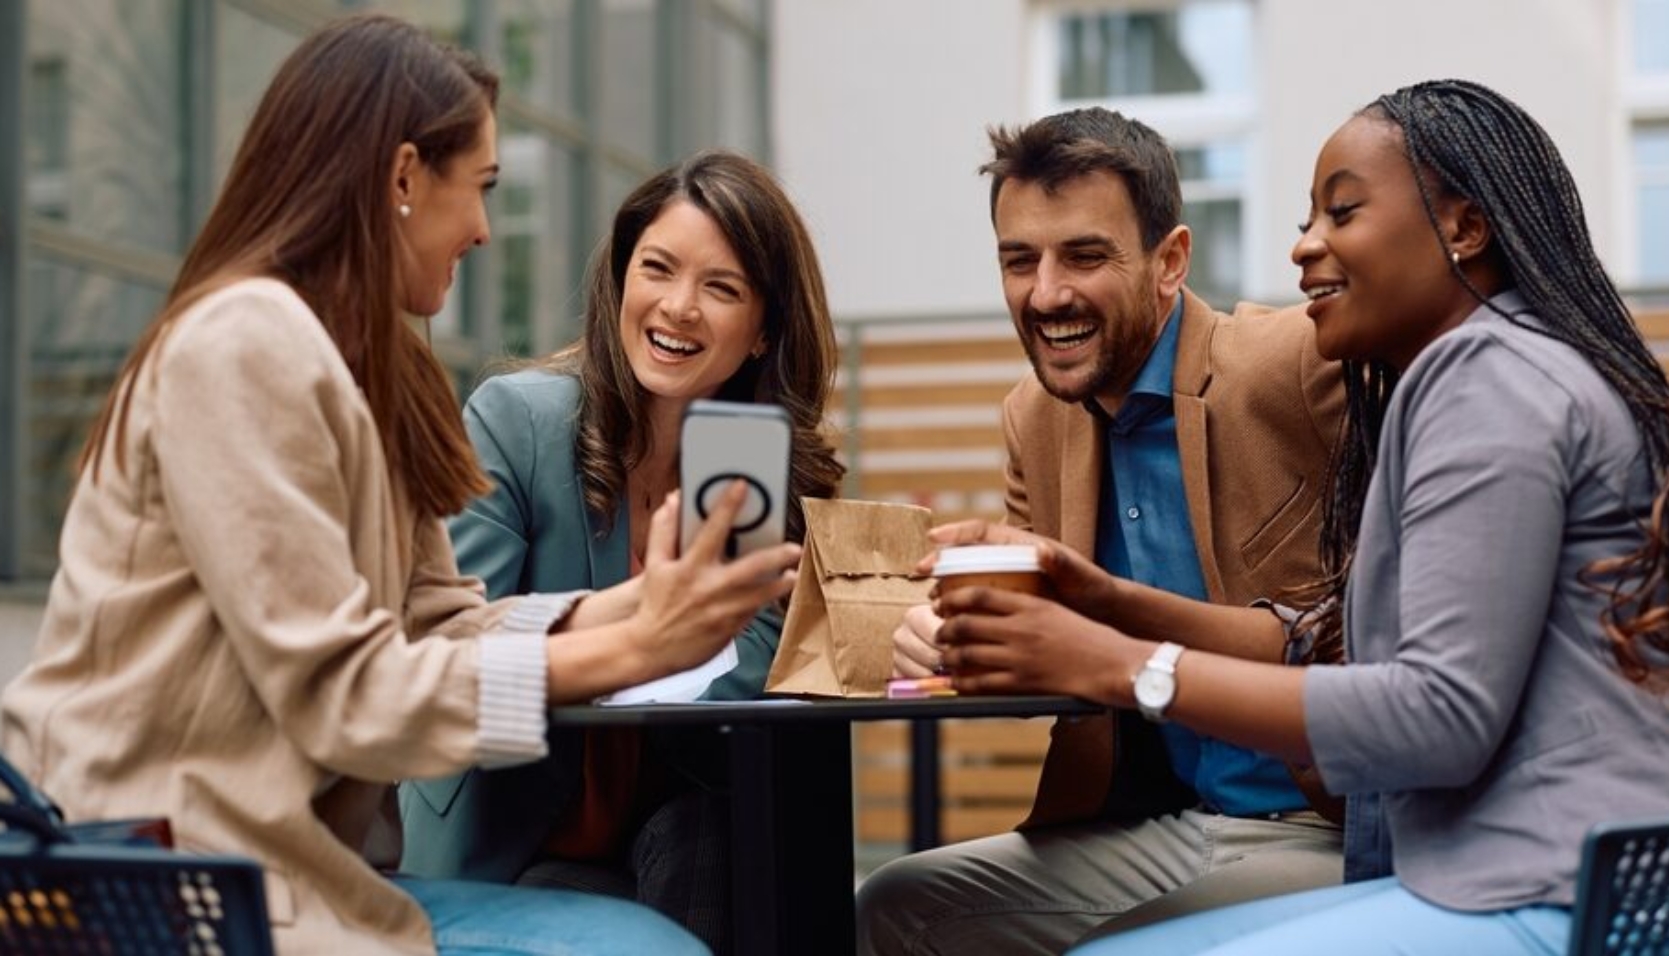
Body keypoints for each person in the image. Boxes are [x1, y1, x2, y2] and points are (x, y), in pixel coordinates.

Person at [0, 15, 801, 956]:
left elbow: (437, 619)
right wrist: (637, 649)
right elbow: (344, 690)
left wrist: (633, 606)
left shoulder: (378, 370)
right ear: (404, 178)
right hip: (172, 876)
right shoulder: (245, 345)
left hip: (307, 872)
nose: (484, 229)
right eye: (482, 188)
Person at [927, 80, 1669, 956]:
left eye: (1342, 213)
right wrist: (1101, 597)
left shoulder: (1488, 378)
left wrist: (1122, 664)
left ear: (1464, 228)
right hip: (1532, 875)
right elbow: (1321, 640)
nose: (1304, 247)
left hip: (1558, 893)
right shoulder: (1482, 371)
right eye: (1308, 217)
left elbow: (1438, 716)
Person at [857, 107, 1348, 955]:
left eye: (1084, 256)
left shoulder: (1297, 363)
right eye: (1020, 261)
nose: (1047, 294)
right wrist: (943, 636)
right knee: (893, 902)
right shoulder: (1033, 419)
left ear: (1170, 261)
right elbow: (1048, 636)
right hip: (1162, 820)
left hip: (1328, 819)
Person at [398, 149, 842, 954]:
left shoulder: (768, 467)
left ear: (763, 330)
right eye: (657, 270)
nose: (678, 308)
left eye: (722, 287)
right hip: (516, 829)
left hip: (674, 813)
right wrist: (653, 637)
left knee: (731, 842)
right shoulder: (518, 424)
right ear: (620, 282)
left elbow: (756, 666)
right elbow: (458, 638)